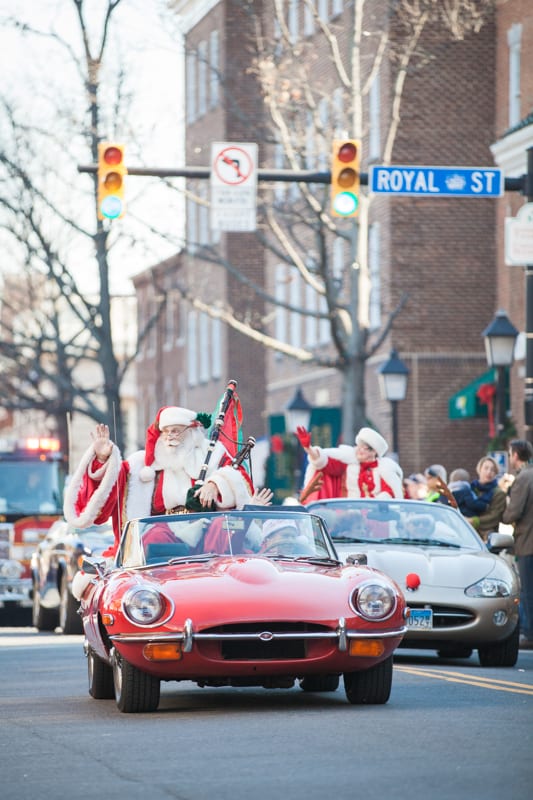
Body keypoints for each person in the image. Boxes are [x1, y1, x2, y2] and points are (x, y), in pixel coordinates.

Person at [64, 406, 255, 557]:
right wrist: (102, 459)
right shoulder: (140, 467)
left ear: (192, 432)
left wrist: (215, 485)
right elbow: (108, 491)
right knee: (153, 538)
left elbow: (241, 482)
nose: (170, 437)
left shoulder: (214, 456)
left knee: (225, 526)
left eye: (176, 431)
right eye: (166, 432)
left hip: (207, 526)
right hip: (167, 533)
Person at [295, 426, 403, 502]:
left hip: (377, 519)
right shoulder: (349, 464)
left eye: (364, 448)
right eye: (358, 446)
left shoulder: (384, 469)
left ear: (374, 452)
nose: (359, 450)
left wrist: (375, 504)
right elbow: (323, 462)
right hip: (350, 518)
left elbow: (389, 492)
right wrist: (309, 449)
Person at [502, 439, 533, 650]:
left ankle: (529, 633)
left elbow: (513, 513)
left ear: (515, 455)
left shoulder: (523, 478)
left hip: (527, 542)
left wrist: (503, 512)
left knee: (527, 590)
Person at [469, 456, 507, 540]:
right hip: (469, 536)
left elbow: (494, 516)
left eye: (493, 470)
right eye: (486, 468)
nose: (489, 472)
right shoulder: (470, 489)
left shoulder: (498, 493)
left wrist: (474, 521)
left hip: (487, 538)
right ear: (479, 469)